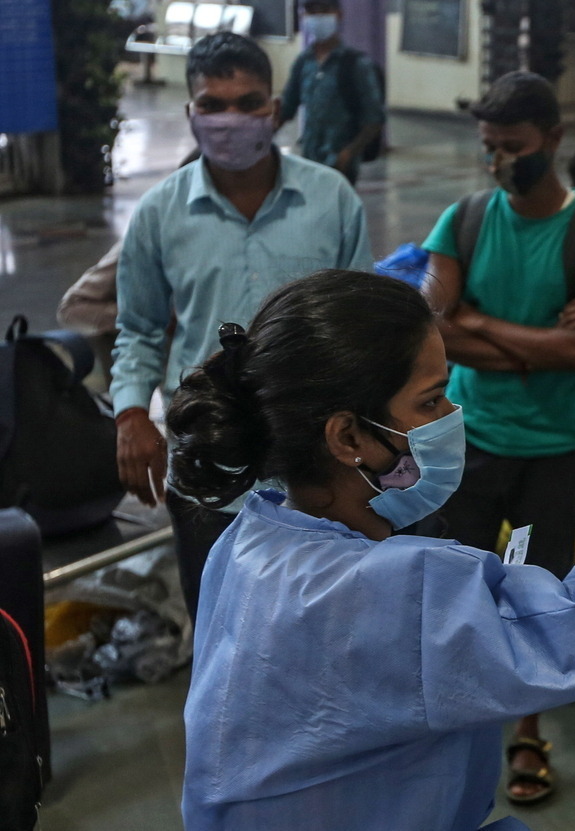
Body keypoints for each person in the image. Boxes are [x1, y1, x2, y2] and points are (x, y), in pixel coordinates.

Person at [173, 270, 575, 831]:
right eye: (430, 401)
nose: (451, 417)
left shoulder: (250, 541)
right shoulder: (377, 594)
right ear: (349, 437)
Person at [420, 70, 575, 805]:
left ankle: (528, 730)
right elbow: (433, 332)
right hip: (468, 442)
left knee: (538, 594)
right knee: (461, 588)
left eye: (513, 145)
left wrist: (479, 322)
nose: (499, 160)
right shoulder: (465, 220)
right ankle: (464, 723)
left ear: (554, 138)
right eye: (490, 145)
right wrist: (532, 345)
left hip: (552, 450)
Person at [111, 32, 372, 617]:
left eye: (248, 102)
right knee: (218, 631)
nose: (230, 119)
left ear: (273, 110)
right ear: (190, 113)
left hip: (314, 470)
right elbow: (140, 329)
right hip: (208, 472)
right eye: (213, 105)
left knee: (320, 632)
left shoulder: (331, 200)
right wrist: (131, 414)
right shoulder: (158, 213)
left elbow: (359, 330)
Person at [279, 0, 386, 182]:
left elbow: (374, 119)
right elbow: (287, 107)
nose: (317, 17)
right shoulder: (303, 62)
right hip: (310, 161)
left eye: (324, 10)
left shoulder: (356, 65)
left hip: (341, 166)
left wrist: (349, 153)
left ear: (339, 14)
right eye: (311, 11)